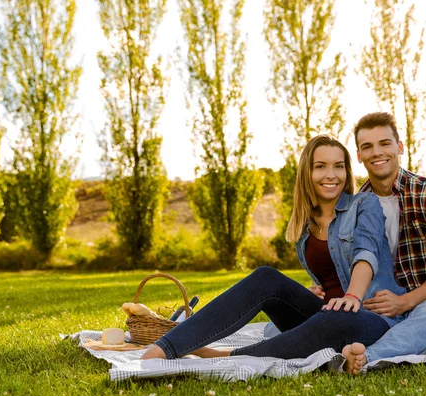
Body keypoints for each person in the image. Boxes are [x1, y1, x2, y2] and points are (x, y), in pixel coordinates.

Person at [141, 135, 406, 366]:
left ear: (347, 171)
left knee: (339, 317)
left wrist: (352, 296)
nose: (331, 175)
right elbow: (328, 273)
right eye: (320, 166)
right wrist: (312, 291)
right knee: (266, 277)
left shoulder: (365, 203)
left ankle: (223, 355)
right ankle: (165, 347)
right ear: (307, 173)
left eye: (339, 166)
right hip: (322, 316)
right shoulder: (304, 226)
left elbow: (366, 253)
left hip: (370, 318)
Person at [342, 112, 426, 374]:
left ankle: (367, 357)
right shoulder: (353, 207)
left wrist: (404, 302)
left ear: (399, 147)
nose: (377, 152)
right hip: (374, 310)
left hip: (422, 309)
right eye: (367, 146)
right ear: (359, 155)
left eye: (385, 143)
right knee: (278, 326)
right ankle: (388, 341)